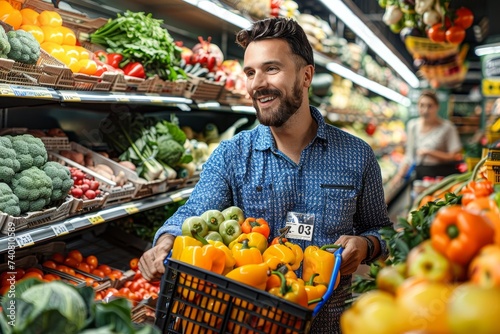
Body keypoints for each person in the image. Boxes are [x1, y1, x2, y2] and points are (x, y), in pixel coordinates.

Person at [139, 17, 392, 333]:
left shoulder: (356, 155)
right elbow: (193, 214)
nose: (257, 83)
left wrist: (367, 245)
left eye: (271, 69)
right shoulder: (232, 155)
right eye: (250, 72)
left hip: (326, 325)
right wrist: (166, 241)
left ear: (306, 76)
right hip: (249, 325)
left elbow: (383, 231)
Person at [394, 90, 463, 182]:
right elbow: (409, 156)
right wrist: (399, 177)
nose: (425, 110)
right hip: (420, 177)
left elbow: (455, 156)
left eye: (430, 106)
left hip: (442, 177)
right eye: (422, 105)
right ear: (418, 107)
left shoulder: (448, 128)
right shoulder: (412, 126)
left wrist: (429, 152)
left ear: (437, 107)